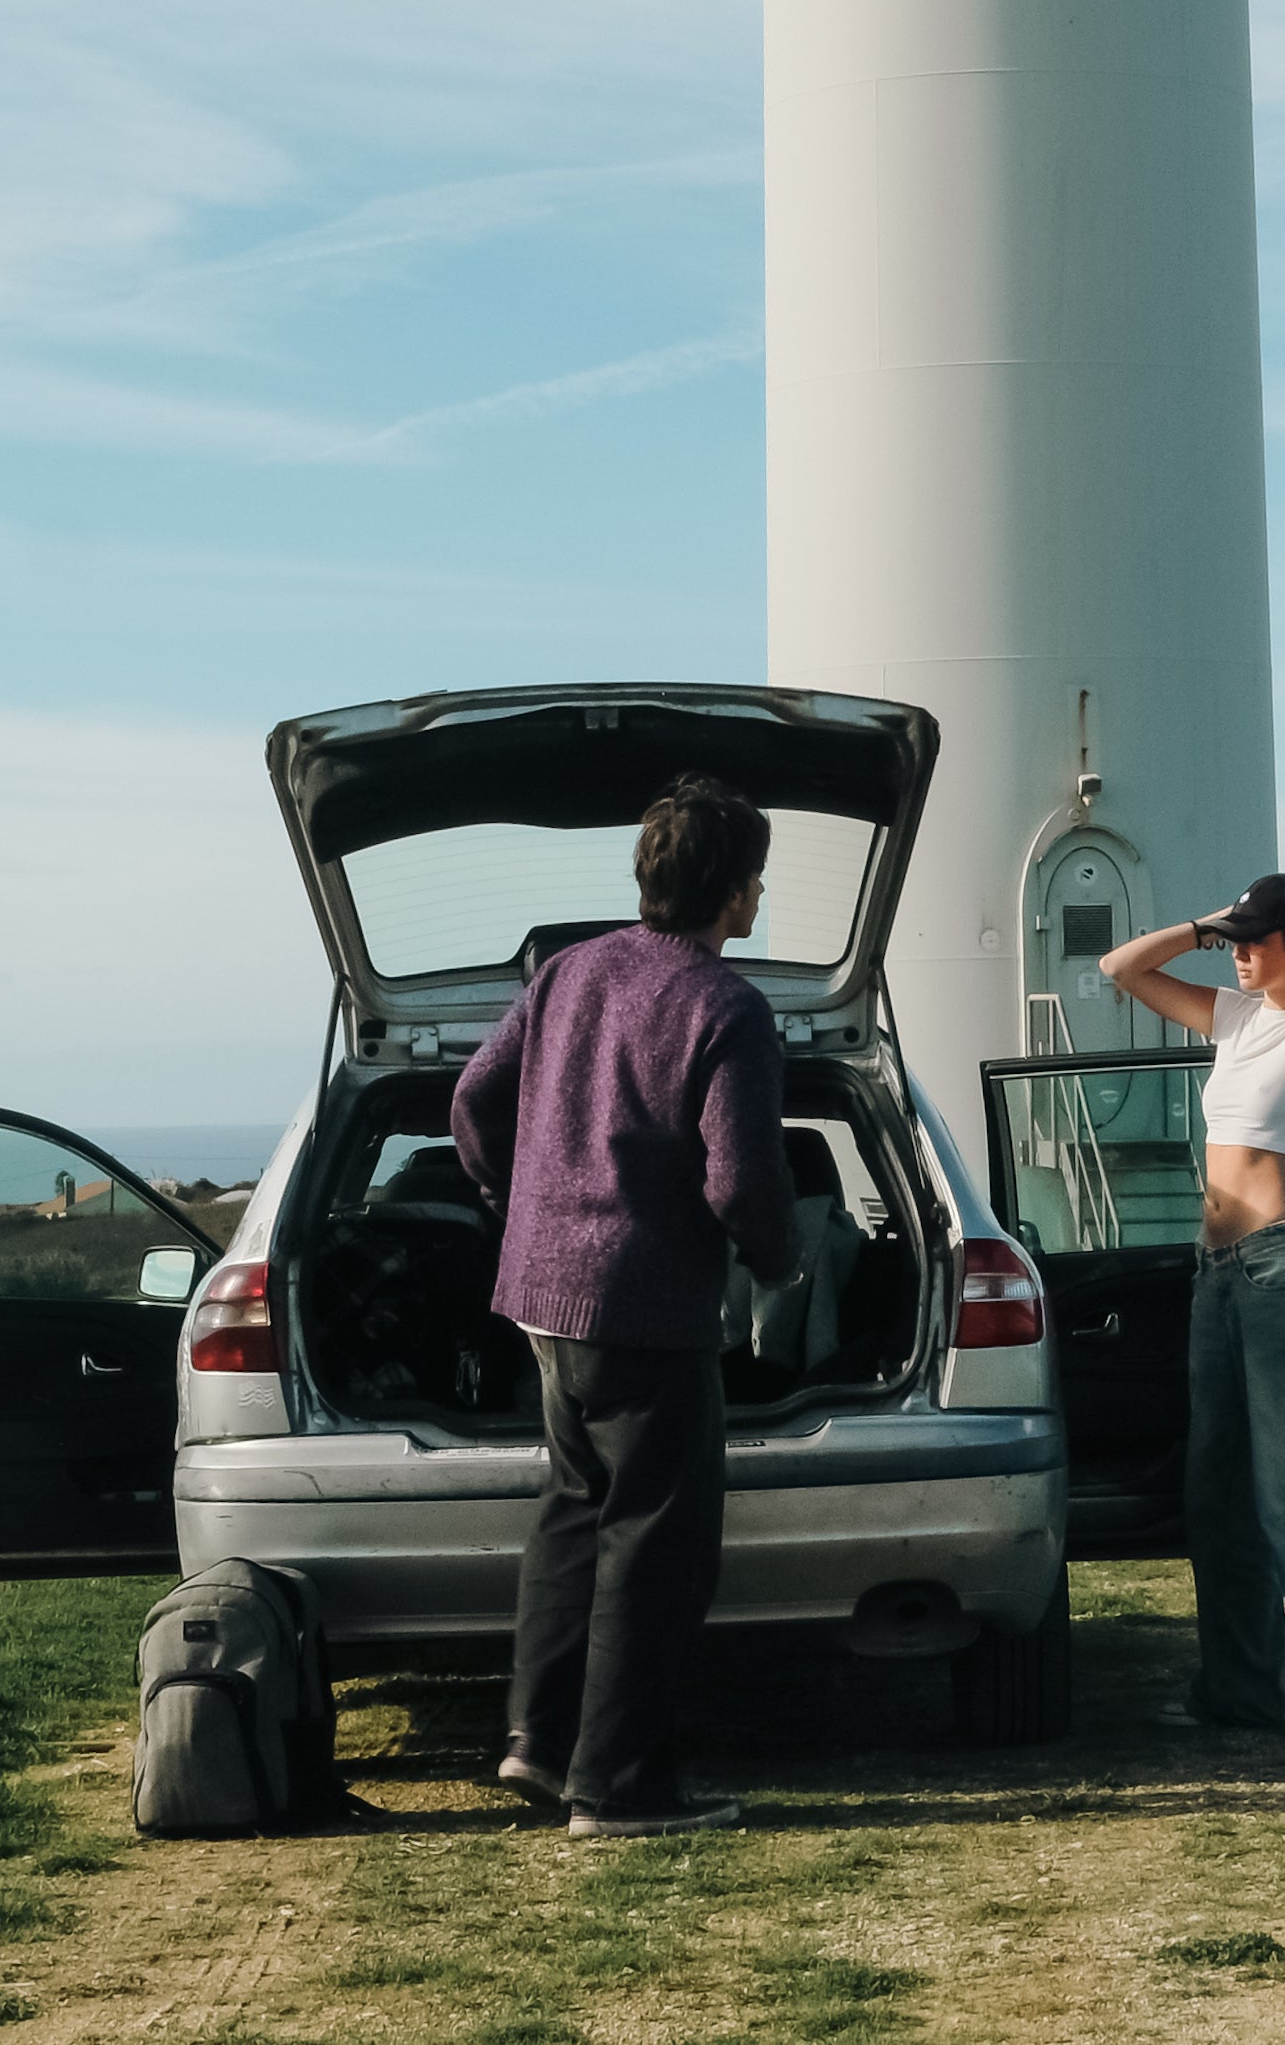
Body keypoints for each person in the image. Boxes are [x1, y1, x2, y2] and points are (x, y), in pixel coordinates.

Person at [450, 773, 803, 1836]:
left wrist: (517, 1202)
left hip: (541, 1297)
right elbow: (741, 1179)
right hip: (645, 1303)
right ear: (735, 891)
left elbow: (473, 1098)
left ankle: (539, 1743)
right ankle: (619, 1790)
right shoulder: (724, 1004)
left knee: (572, 1514)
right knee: (656, 1547)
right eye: (756, 882)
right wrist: (778, 1261)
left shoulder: (567, 971)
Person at [1100, 872, 1285, 1735]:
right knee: (1217, 1491)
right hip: (1215, 1274)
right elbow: (1121, 967)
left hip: (1278, 1267)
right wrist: (1204, 921)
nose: (1238, 953)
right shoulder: (1237, 1018)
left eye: (1251, 939)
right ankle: (1239, 1689)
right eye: (1234, 939)